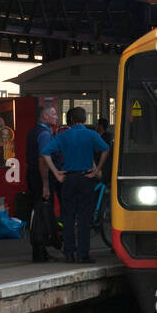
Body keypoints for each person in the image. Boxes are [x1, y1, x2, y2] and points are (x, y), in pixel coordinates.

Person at [40, 106, 109, 263]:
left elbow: (45, 153)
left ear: (70, 120)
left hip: (68, 179)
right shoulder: (91, 134)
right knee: (84, 218)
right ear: (85, 119)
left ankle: (69, 253)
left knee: (68, 217)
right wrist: (97, 168)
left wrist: (57, 172)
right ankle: (83, 254)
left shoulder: (64, 135)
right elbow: (106, 150)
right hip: (86, 179)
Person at [26, 102, 58, 263]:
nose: (56, 117)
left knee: (38, 213)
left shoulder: (34, 131)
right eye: (53, 114)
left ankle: (40, 250)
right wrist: (45, 184)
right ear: (45, 116)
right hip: (41, 178)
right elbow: (43, 160)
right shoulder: (45, 134)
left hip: (33, 176)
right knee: (42, 214)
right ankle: (40, 251)